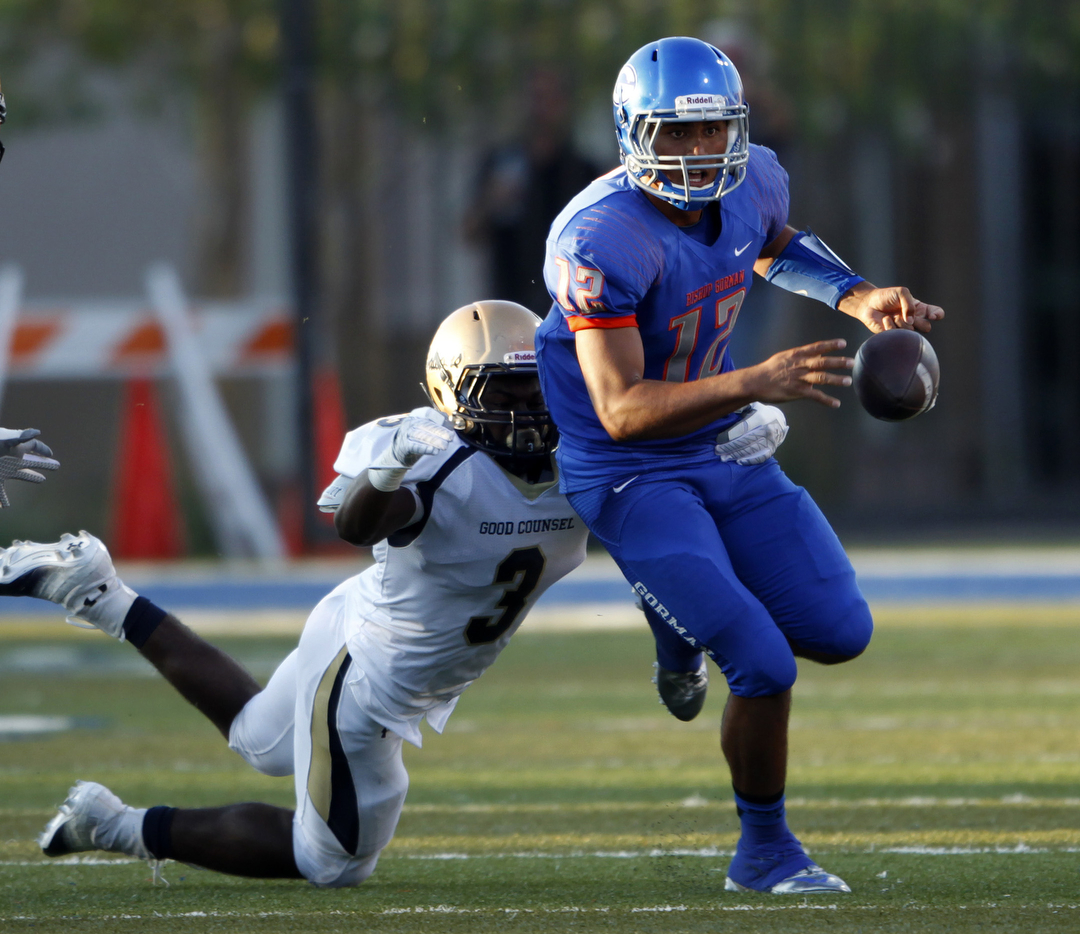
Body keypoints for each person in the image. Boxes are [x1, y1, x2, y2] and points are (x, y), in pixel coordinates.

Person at [534, 36, 944, 895]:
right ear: (630, 133)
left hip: (722, 442)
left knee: (840, 632)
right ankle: (764, 854)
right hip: (627, 469)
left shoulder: (755, 176)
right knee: (764, 659)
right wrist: (755, 381)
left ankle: (678, 619)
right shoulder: (598, 237)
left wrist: (856, 292)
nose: (698, 152)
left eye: (714, 131)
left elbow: (770, 240)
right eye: (675, 135)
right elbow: (620, 409)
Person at [11, 301, 588, 887]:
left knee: (258, 741)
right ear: (453, 393)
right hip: (369, 678)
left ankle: (98, 591)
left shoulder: (583, 457)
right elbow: (356, 527)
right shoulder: (431, 456)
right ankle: (114, 827)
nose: (524, 414)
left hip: (364, 623)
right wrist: (388, 467)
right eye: (503, 396)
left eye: (533, 391)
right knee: (332, 865)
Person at [465, 69, 600, 315]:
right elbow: (469, 231)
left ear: (564, 104)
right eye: (536, 97)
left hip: (567, 308)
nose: (542, 108)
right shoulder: (502, 162)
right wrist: (492, 201)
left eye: (550, 98)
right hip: (507, 307)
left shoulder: (582, 170)